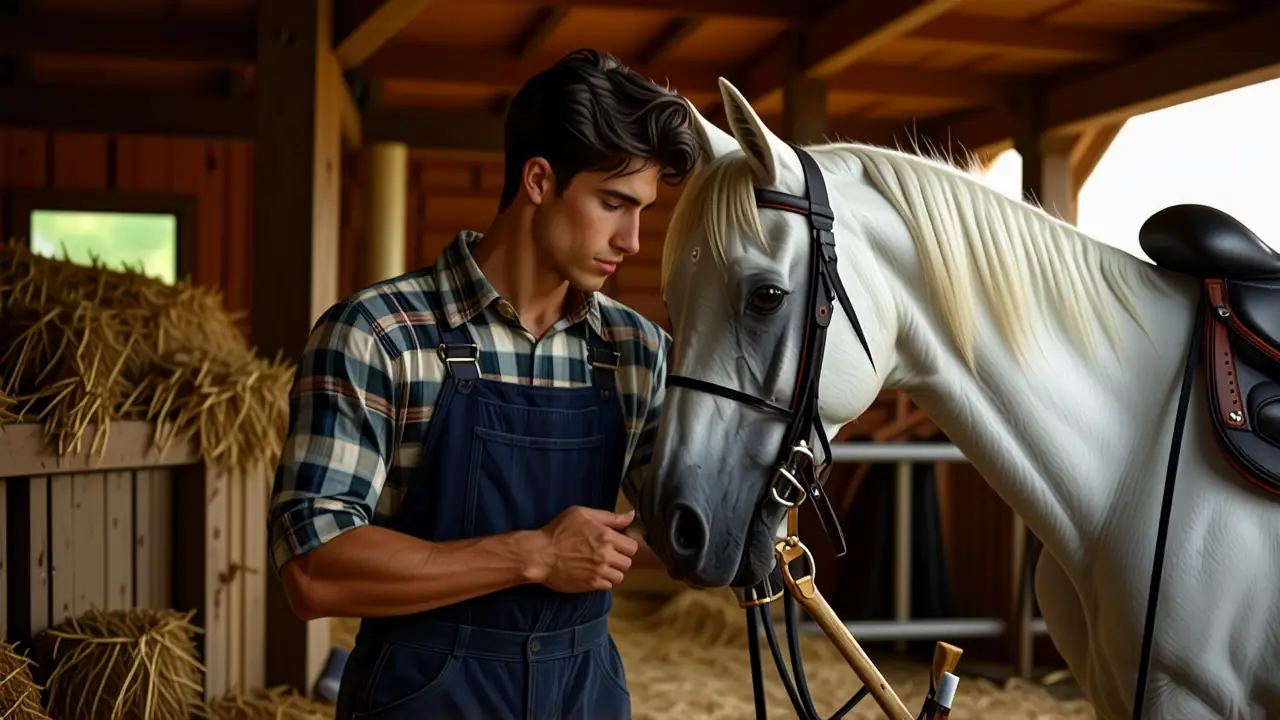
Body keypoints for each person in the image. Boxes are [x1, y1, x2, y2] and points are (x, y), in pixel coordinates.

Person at [267, 49, 700, 720]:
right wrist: (535, 555)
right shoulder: (379, 334)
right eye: (614, 204)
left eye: (642, 210)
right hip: (422, 698)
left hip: (585, 696)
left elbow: (695, 534)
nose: (634, 240)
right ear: (537, 180)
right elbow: (314, 570)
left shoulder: (638, 352)